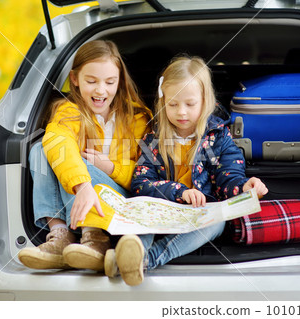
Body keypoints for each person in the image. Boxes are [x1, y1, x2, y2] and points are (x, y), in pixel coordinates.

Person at [103, 56, 268, 286]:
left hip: (199, 216)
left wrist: (243, 186)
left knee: (216, 223)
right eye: (173, 104)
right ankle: (131, 252)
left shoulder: (218, 137)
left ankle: (144, 260)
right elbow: (141, 181)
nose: (181, 112)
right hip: (160, 212)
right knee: (142, 213)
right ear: (163, 102)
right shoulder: (154, 137)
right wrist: (179, 192)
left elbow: (227, 176)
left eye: (190, 104)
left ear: (205, 101)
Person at [18, 40, 151, 272]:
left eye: (110, 82)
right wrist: (83, 185)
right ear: (75, 79)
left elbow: (148, 175)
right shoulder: (69, 111)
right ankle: (60, 236)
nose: (101, 90)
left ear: (119, 82)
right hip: (82, 194)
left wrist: (110, 167)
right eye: (91, 81)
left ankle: (96, 239)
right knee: (41, 150)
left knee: (80, 162)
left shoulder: (138, 119)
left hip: (121, 200)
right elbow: (57, 140)